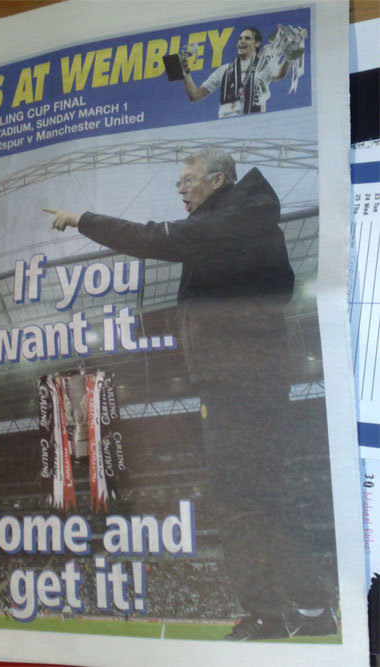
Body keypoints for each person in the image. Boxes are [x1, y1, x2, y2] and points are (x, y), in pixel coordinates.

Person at [46, 147, 337, 639]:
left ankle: (268, 614)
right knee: (265, 497)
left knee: (235, 499)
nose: (180, 189)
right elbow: (278, 290)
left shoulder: (225, 224)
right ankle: (312, 609)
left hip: (234, 382)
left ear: (218, 181)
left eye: (187, 181)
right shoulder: (249, 222)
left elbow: (151, 237)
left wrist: (82, 219)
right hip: (255, 378)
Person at [181, 27, 295, 117]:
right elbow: (195, 95)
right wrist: (185, 72)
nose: (242, 41)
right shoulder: (223, 70)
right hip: (227, 131)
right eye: (240, 38)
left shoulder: (264, 65)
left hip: (253, 127)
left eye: (247, 38)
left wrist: (290, 55)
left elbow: (280, 74)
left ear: (257, 43)